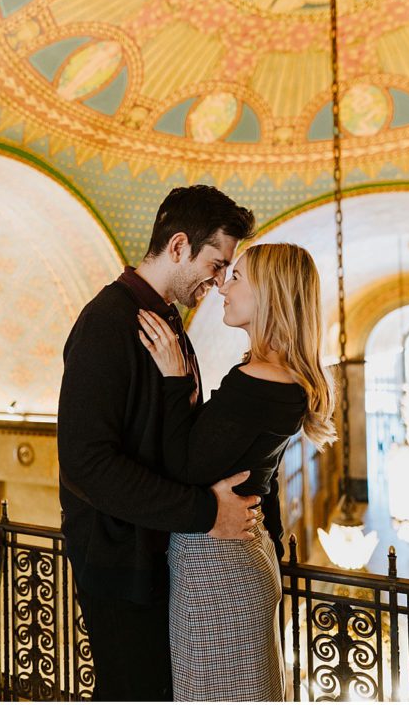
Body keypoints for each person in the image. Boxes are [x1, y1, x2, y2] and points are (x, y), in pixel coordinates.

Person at [57, 185, 260, 701]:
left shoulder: (169, 322)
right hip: (118, 560)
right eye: (216, 265)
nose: (219, 283)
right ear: (177, 247)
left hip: (155, 551)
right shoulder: (105, 323)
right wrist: (204, 512)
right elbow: (86, 463)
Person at [138, 243, 335, 701]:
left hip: (218, 570)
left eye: (238, 278)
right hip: (237, 558)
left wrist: (173, 381)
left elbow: (182, 467)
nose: (223, 287)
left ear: (270, 294)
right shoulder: (282, 377)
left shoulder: (256, 382)